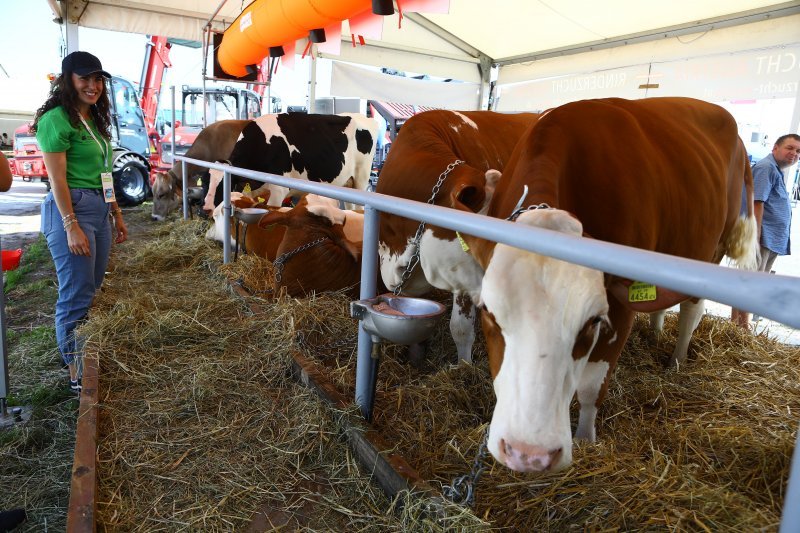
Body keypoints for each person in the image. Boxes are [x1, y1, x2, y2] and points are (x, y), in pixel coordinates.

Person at [32, 51, 128, 392]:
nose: (93, 86)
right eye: (84, 78)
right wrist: (70, 224)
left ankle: (86, 354)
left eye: (98, 79)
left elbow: (104, 174)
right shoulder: (56, 119)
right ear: (68, 80)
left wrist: (116, 213)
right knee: (75, 293)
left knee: (92, 287)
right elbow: (57, 179)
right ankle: (75, 371)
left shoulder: (94, 121)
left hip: (99, 208)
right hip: (71, 207)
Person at [732, 133, 800, 329]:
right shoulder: (766, 167)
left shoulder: (775, 170)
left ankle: (737, 326)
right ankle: (742, 327)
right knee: (751, 283)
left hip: (770, 239)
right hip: (763, 238)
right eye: (790, 148)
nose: (794, 153)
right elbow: (757, 202)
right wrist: (755, 234)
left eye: (798, 151)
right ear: (775, 148)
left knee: (753, 282)